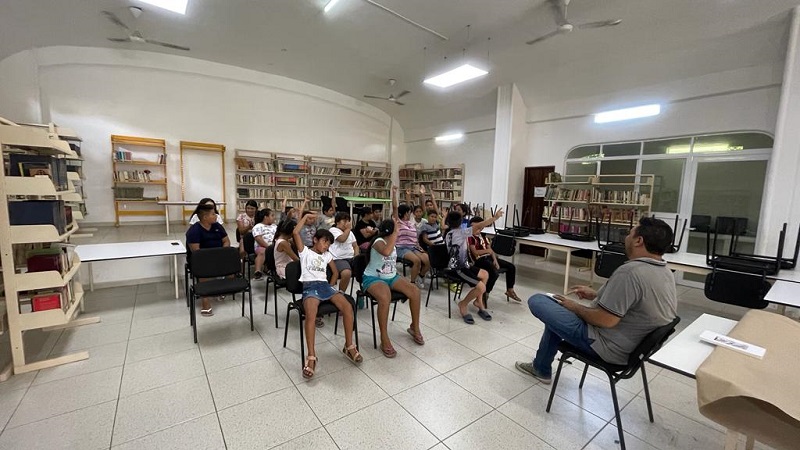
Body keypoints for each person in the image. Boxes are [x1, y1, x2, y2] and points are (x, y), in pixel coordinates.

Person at [515, 217, 678, 384]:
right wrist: (596, 295)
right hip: (630, 348)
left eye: (629, 234)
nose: (626, 238)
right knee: (556, 314)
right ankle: (540, 368)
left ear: (638, 240)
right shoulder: (665, 271)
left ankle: (541, 368)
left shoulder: (630, 272)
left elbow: (605, 320)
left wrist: (575, 307)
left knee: (538, 301)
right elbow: (636, 303)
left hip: (606, 346)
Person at [292, 214, 362, 379]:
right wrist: (305, 217)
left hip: (324, 286)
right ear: (315, 240)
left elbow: (336, 272)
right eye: (324, 242)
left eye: (329, 244)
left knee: (347, 307)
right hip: (310, 287)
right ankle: (311, 356)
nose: (326, 246)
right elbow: (295, 233)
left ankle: (349, 345)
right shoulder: (305, 252)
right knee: (311, 315)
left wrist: (331, 286)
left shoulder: (327, 255)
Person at [362, 217, 424, 357]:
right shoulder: (378, 241)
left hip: (391, 276)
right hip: (373, 278)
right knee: (385, 297)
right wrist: (396, 233)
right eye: (396, 230)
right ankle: (384, 338)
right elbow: (386, 252)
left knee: (414, 291)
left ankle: (414, 327)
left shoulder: (392, 240)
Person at [444, 208, 504, 324]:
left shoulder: (451, 233)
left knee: (485, 274)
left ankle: (478, 302)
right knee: (482, 287)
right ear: (460, 222)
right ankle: (463, 304)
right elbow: (479, 225)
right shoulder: (458, 233)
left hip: (465, 265)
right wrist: (495, 218)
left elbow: (476, 227)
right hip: (458, 268)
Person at [186, 205, 230, 317]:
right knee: (203, 269)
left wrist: (223, 253)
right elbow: (196, 251)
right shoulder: (194, 230)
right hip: (202, 259)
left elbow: (226, 241)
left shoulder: (217, 227)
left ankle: (220, 290)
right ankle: (205, 301)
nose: (216, 216)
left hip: (218, 255)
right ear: (205, 217)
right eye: (213, 214)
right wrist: (212, 258)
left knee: (234, 265)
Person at [467, 216, 523, 302]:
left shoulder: (483, 236)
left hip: (488, 257)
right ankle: (486, 293)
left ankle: (510, 290)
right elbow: (475, 252)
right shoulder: (470, 237)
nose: (476, 229)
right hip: (478, 260)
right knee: (494, 273)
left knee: (511, 267)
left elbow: (491, 251)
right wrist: (487, 251)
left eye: (479, 227)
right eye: (473, 227)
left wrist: (495, 260)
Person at [392, 187, 430, 289]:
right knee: (417, 260)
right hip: (402, 248)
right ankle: (412, 283)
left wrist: (418, 246)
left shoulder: (410, 223)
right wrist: (394, 193)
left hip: (413, 247)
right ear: (405, 213)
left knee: (427, 260)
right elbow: (395, 207)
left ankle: (420, 276)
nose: (411, 213)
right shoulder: (398, 222)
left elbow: (414, 238)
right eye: (409, 212)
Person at [329, 212, 359, 292]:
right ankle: (341, 293)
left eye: (348, 221)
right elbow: (342, 239)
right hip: (339, 259)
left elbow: (355, 246)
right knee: (346, 273)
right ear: (337, 222)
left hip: (351, 257)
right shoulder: (333, 230)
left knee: (364, 270)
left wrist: (356, 256)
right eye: (344, 221)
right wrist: (348, 229)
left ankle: (362, 292)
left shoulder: (350, 233)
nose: (347, 223)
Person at [252, 208, 277, 280]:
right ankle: (258, 272)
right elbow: (258, 238)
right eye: (272, 215)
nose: (274, 217)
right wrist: (268, 247)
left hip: (274, 246)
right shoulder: (258, 226)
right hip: (261, 246)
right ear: (266, 217)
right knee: (263, 252)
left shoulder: (275, 226)